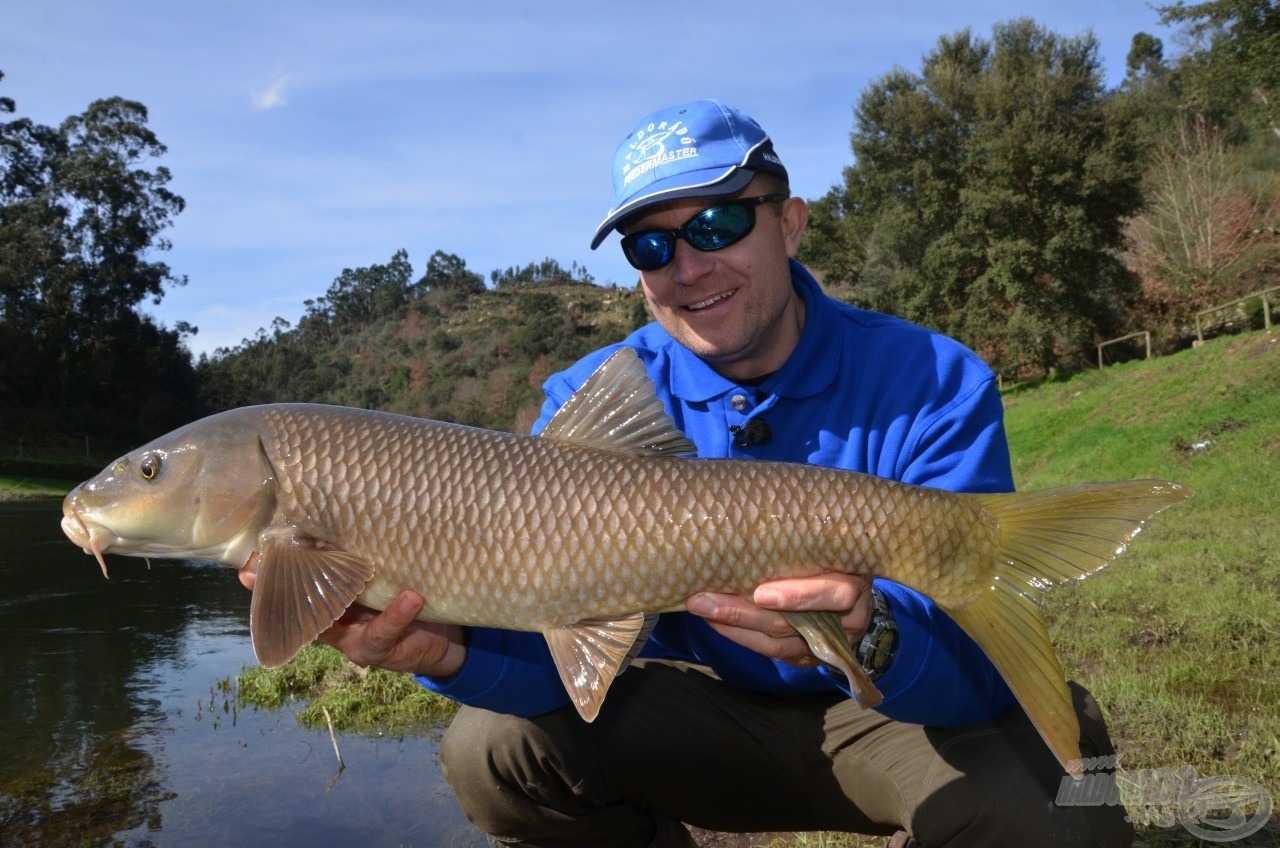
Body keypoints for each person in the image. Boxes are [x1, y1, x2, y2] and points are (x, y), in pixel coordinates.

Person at [242, 99, 1132, 847]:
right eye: (651, 247)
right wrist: (450, 653)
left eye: (717, 222)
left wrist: (871, 631)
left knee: (1058, 805)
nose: (689, 265)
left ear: (790, 222)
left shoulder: (932, 379)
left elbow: (976, 673)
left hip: (896, 718)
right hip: (703, 715)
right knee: (490, 751)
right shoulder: (587, 399)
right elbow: (560, 661)